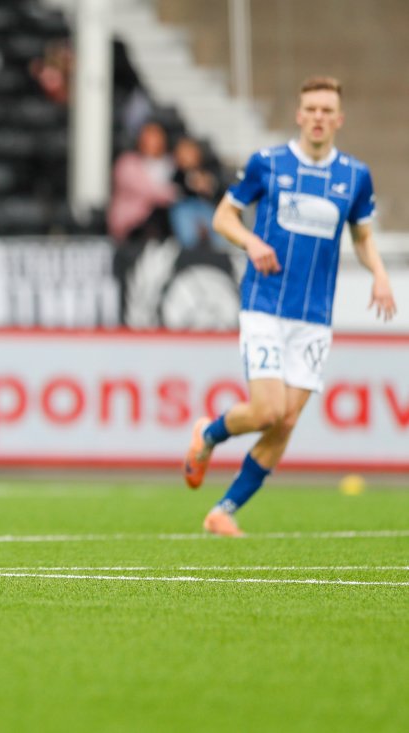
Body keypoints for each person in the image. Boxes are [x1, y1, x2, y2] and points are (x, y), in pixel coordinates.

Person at [183, 76, 397, 536]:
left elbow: (362, 235)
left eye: (327, 110)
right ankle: (209, 433)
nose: (319, 117)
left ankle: (223, 510)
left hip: (314, 317)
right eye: (311, 109)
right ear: (299, 115)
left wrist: (379, 274)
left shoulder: (354, 176)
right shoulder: (269, 163)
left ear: (338, 119)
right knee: (265, 411)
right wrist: (251, 241)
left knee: (286, 422)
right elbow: (224, 215)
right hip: (266, 304)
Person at [106, 121, 176, 245]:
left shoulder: (169, 164)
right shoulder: (127, 162)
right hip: (132, 225)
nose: (152, 141)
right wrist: (171, 192)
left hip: (162, 220)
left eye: (156, 137)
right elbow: (148, 191)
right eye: (148, 137)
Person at [169, 136, 228, 250]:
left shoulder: (212, 167)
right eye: (181, 153)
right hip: (188, 211)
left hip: (212, 209)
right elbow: (175, 192)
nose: (185, 156)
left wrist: (210, 185)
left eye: (188, 151)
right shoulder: (177, 174)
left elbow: (223, 188)